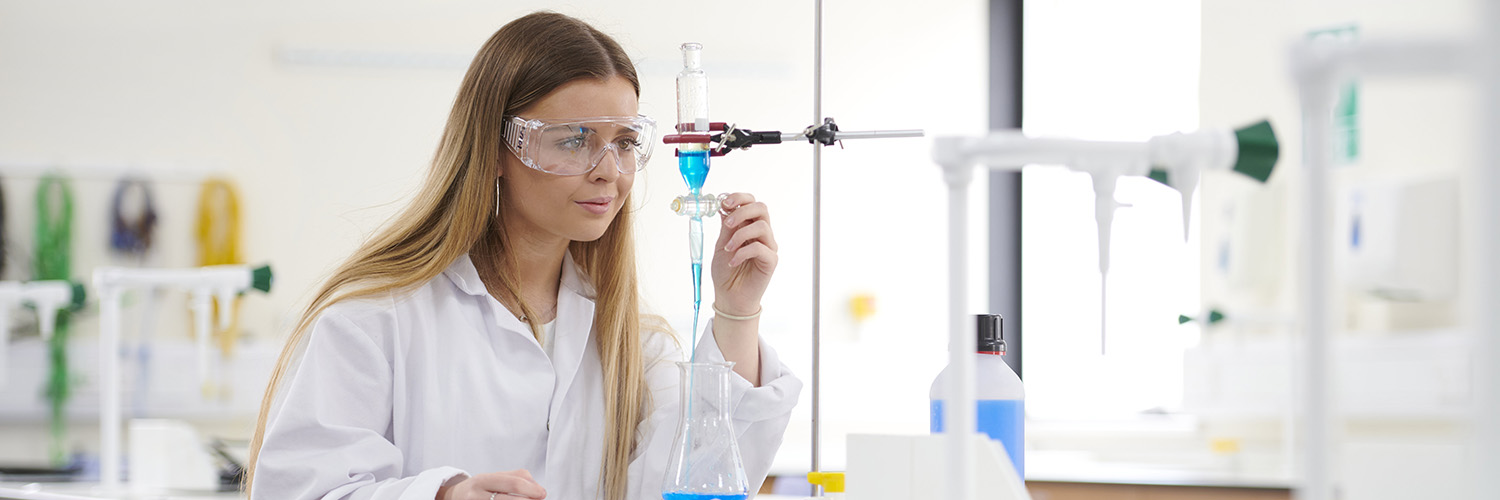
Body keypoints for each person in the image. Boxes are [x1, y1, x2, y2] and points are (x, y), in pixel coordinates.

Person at [245, 11, 802, 500]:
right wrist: (444, 496)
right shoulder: (373, 317)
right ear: (494, 150)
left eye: (627, 141)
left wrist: (736, 311)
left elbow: (698, 481)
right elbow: (301, 490)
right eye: (572, 139)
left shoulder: (632, 341)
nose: (608, 169)